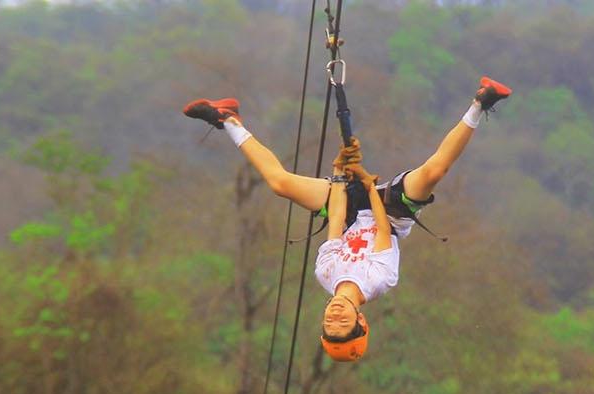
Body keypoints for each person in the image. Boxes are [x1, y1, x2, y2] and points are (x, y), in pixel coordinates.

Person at [182, 77, 512, 362]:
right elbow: (383, 226)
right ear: (361, 320)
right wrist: (368, 183)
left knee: (280, 184)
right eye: (343, 324)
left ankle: (227, 119)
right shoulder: (379, 280)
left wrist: (340, 174)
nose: (335, 316)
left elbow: (337, 221)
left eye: (329, 324)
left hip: (350, 210)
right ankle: (480, 103)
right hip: (390, 212)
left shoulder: (325, 273)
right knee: (433, 172)